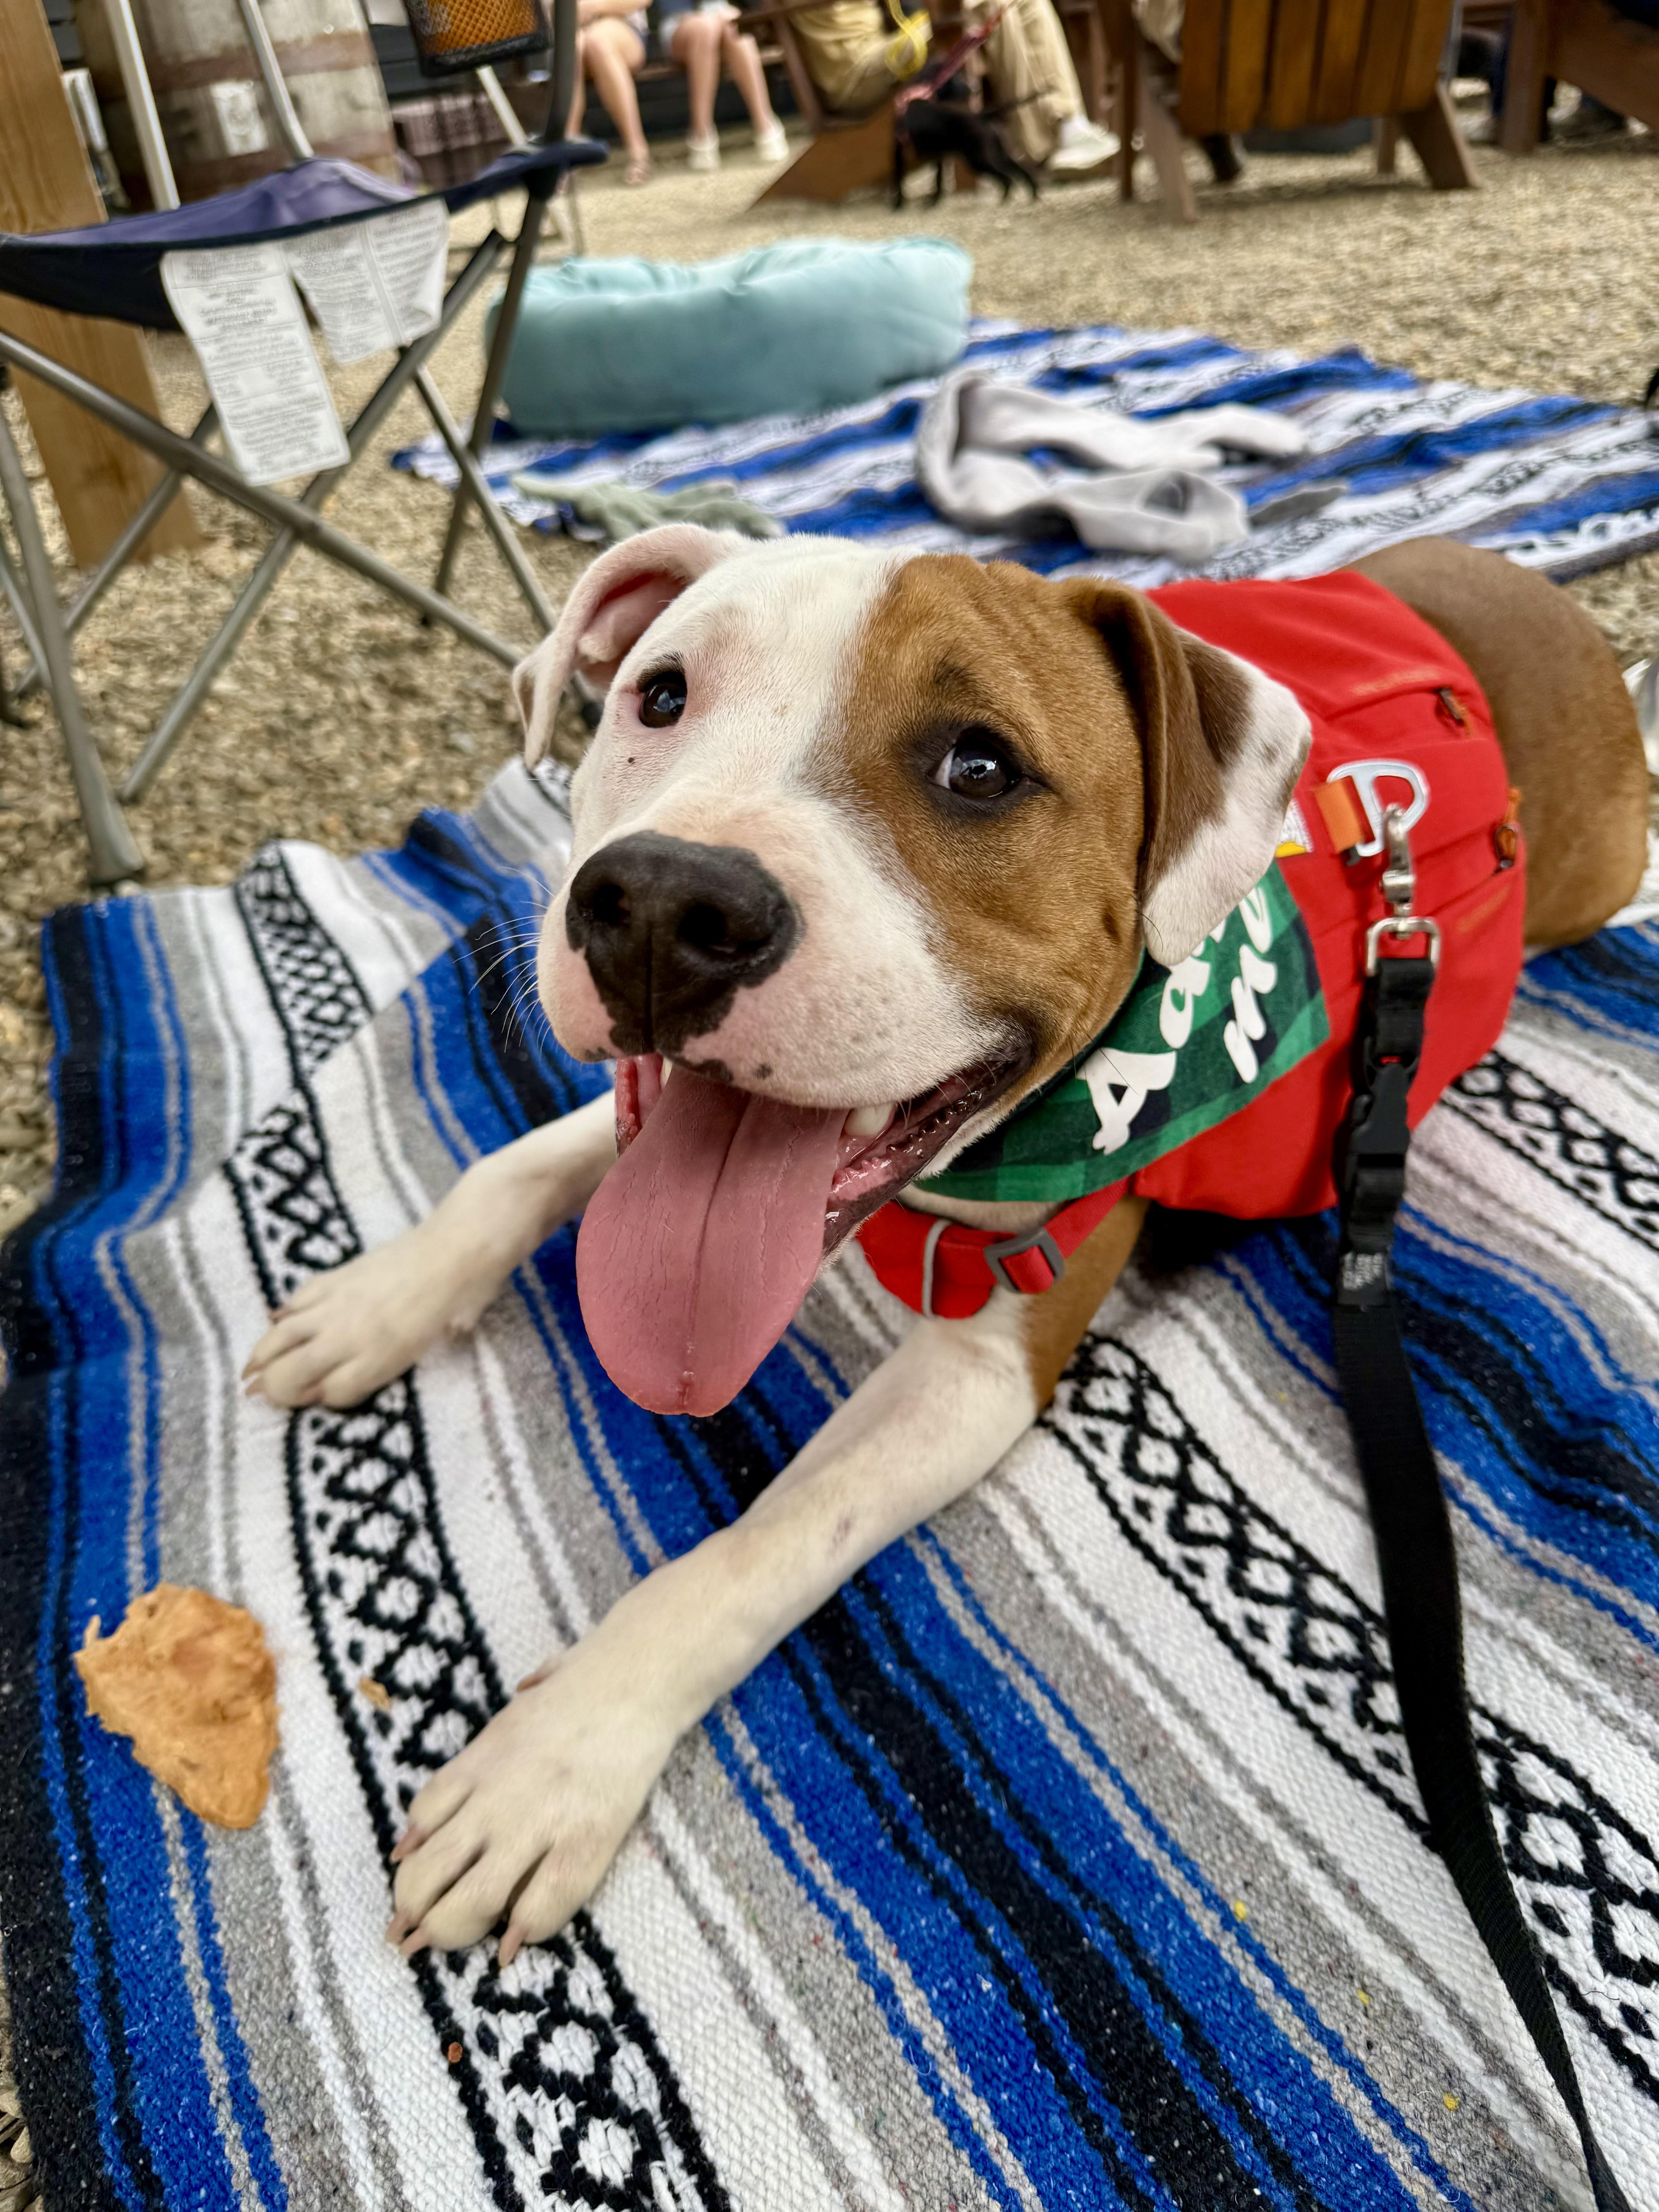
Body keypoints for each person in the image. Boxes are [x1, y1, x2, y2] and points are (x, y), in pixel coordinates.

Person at [788, 0, 1118, 173]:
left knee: (1019, 2)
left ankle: (1067, 124)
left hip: (886, 48)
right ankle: (1049, 137)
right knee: (984, 4)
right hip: (856, 71)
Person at [571, 0, 788, 185]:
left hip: (715, 13)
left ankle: (764, 123)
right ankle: (701, 131)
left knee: (730, 23)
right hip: (680, 21)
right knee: (706, 28)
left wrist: (592, 7)